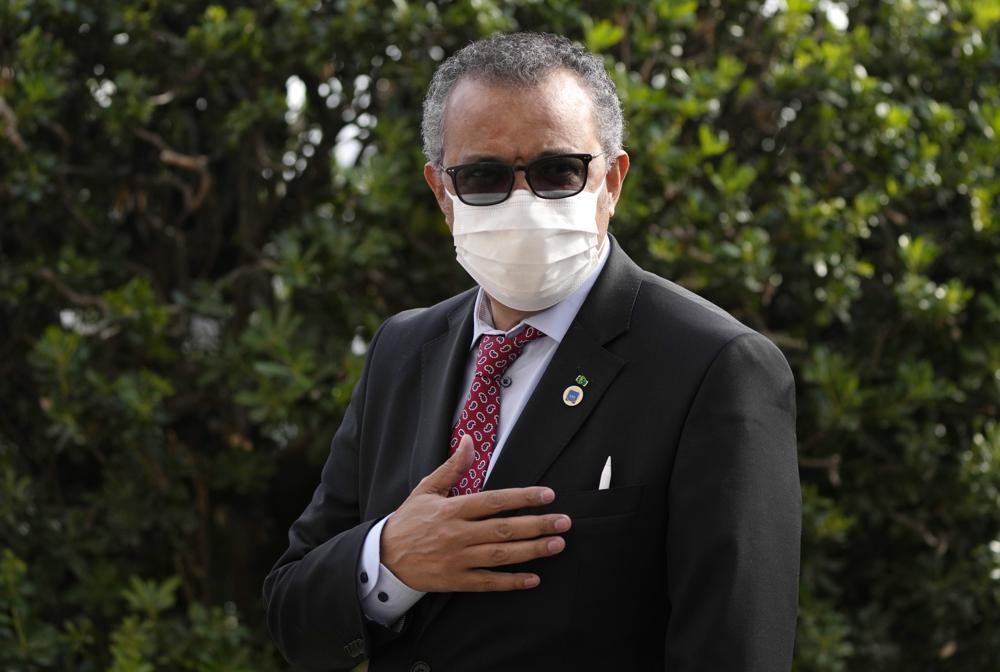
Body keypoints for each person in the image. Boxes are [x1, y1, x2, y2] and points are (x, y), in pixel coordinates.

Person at [263, 32, 800, 672]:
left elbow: (733, 652)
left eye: (556, 171)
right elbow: (293, 615)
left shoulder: (715, 366)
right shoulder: (404, 349)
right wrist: (388, 561)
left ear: (612, 181)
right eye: (485, 176)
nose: (524, 201)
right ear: (442, 190)